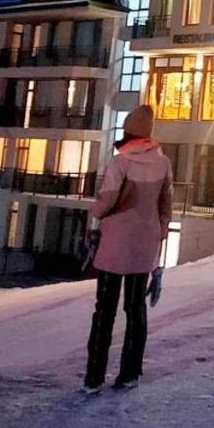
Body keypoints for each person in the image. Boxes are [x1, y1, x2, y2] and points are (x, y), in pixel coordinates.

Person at [83, 105, 173, 393]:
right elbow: (166, 206)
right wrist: (159, 233)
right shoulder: (163, 164)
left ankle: (94, 377)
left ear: (129, 132)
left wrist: (96, 212)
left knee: (104, 309)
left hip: (115, 244)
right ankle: (130, 374)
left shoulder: (119, 163)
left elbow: (106, 200)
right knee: (136, 309)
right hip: (145, 245)